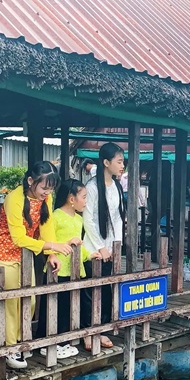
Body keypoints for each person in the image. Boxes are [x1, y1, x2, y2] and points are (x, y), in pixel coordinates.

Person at [0, 161, 72, 370]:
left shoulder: (46, 197)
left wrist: (50, 253)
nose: (48, 192)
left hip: (26, 254)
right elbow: (17, 237)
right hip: (3, 252)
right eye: (45, 187)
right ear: (30, 181)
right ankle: (10, 348)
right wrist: (51, 245)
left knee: (30, 300)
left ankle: (20, 340)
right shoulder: (14, 198)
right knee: (10, 302)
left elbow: (46, 226)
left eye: (51, 188)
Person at [36, 179, 100, 358]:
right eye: (84, 197)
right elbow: (47, 241)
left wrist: (89, 254)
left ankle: (61, 341)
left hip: (74, 269)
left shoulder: (79, 219)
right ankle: (45, 341)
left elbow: (80, 243)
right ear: (71, 199)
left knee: (66, 306)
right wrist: (65, 244)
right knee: (51, 306)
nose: (86, 201)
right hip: (57, 268)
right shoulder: (55, 216)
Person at [82, 142, 126, 350]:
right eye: (119, 161)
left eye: (122, 161)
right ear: (106, 162)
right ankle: (88, 332)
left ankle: (102, 329)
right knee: (91, 290)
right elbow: (88, 220)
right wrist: (100, 246)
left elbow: (117, 217)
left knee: (106, 289)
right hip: (93, 247)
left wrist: (115, 244)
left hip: (109, 247)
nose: (122, 165)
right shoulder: (91, 187)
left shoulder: (116, 186)